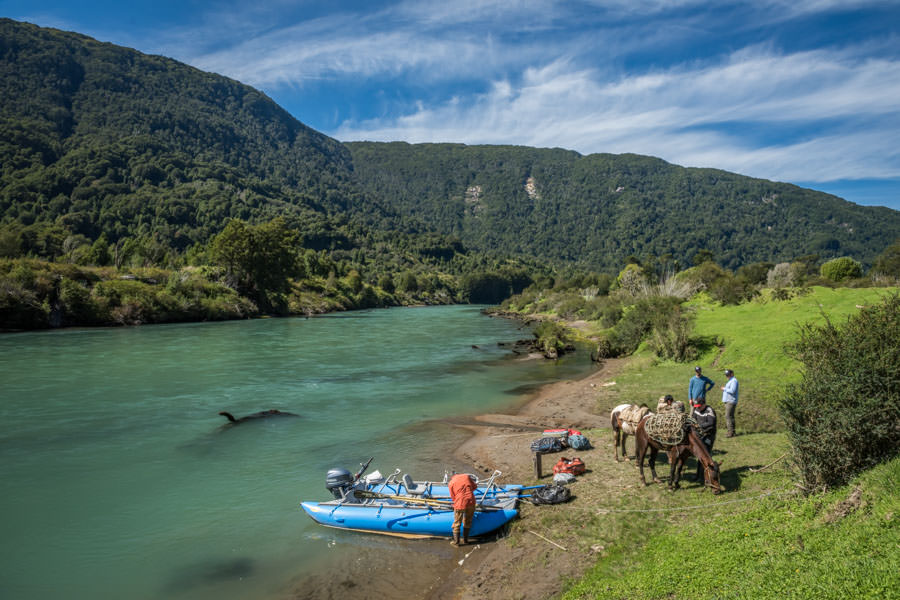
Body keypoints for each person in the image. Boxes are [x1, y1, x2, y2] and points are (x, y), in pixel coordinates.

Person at [690, 397, 717, 482]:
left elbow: (711, 423)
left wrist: (699, 425)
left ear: (704, 404)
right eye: (696, 406)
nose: (698, 408)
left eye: (699, 406)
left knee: (706, 456)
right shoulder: (697, 409)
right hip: (699, 435)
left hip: (708, 436)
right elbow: (693, 419)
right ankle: (698, 475)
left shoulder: (710, 410)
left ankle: (707, 476)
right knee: (700, 456)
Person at [448, 473, 477, 546]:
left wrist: (456, 502)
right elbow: (474, 487)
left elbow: (453, 497)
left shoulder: (451, 483)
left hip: (460, 503)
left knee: (457, 523)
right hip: (471, 501)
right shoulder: (466, 476)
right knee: (468, 521)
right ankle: (465, 541)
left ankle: (456, 542)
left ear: (452, 477)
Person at [721, 368, 739, 437]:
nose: (727, 376)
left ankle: (730, 432)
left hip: (730, 401)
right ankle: (732, 432)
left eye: (728, 375)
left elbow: (732, 391)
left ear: (732, 374)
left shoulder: (734, 381)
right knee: (730, 416)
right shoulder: (731, 381)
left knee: (728, 416)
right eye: (726, 375)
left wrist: (724, 389)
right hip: (728, 400)